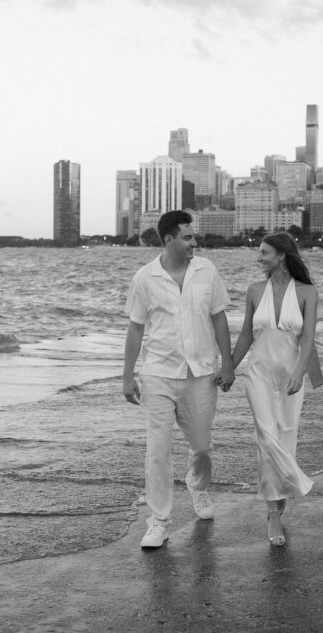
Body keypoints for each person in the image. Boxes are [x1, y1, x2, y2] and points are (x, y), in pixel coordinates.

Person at [123, 210, 234, 549]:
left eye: (193, 236)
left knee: (201, 446)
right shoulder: (145, 278)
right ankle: (158, 521)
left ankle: (197, 486)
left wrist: (227, 363)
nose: (194, 242)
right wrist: (127, 375)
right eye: (187, 237)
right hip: (157, 373)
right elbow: (135, 328)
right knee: (157, 450)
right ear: (169, 240)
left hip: (200, 373)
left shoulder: (207, 271)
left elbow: (219, 319)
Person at [230, 233, 322, 547]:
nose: (259, 258)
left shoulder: (308, 292)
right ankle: (274, 512)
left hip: (290, 376)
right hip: (258, 373)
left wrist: (299, 373)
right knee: (266, 437)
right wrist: (228, 366)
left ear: (282, 255)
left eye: (264, 253)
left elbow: (308, 338)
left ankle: (279, 488)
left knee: (286, 434)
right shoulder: (255, 291)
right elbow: (245, 335)